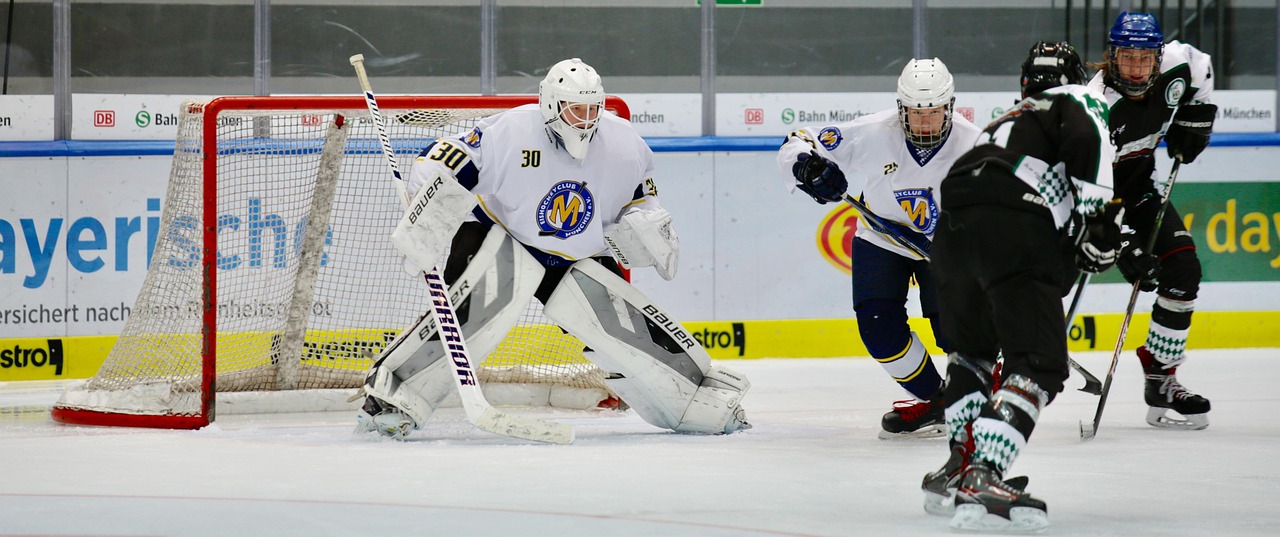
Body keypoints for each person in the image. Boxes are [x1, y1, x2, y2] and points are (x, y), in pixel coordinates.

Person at [356, 57, 751, 438]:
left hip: (577, 255)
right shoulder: (511, 131)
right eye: (574, 109)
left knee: (625, 331)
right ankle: (392, 401)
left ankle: (697, 404)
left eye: (591, 109)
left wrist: (646, 223)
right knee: (470, 319)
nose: (585, 119)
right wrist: (427, 200)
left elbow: (640, 198)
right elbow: (445, 159)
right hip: (500, 235)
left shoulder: (622, 142)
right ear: (550, 104)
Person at [920, 41, 1121, 531]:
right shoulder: (1078, 99)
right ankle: (985, 473)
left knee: (972, 354)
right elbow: (1087, 142)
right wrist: (1100, 221)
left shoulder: (1005, 120)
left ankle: (959, 465)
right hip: (1012, 217)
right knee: (1041, 363)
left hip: (952, 226)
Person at [778, 58, 981, 439]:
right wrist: (808, 169)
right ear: (901, 108)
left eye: (933, 113)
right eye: (915, 113)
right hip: (881, 240)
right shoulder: (873, 131)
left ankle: (975, 390)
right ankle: (936, 400)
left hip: (947, 247)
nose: (923, 123)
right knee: (878, 329)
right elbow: (797, 141)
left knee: (955, 331)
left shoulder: (975, 144)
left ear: (950, 107)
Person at [1086, 12, 1216, 430]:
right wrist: (1122, 244)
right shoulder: (1094, 105)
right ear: (1112, 57)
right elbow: (1084, 183)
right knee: (1047, 279)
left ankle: (1161, 376)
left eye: (1146, 59)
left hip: (1139, 189)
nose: (1137, 68)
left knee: (1183, 267)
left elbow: (1204, 68)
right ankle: (999, 371)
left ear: (1158, 57)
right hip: (1087, 200)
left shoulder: (1179, 65)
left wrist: (1197, 115)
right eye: (1128, 59)